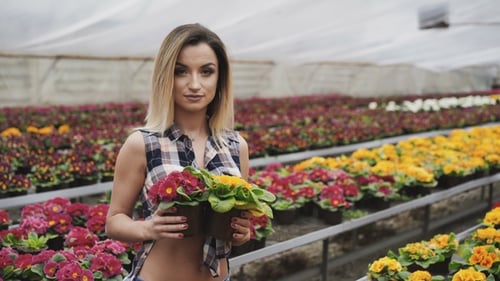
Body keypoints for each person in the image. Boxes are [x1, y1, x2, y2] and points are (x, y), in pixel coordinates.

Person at [105, 23, 251, 281]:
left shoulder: (236, 146)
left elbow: (238, 219)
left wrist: (242, 232)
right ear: (166, 76)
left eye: (206, 72)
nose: (195, 84)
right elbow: (114, 220)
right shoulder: (142, 143)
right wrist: (147, 228)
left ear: (220, 78)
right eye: (181, 71)